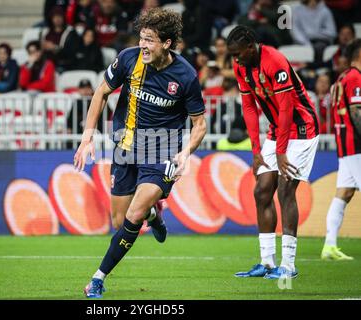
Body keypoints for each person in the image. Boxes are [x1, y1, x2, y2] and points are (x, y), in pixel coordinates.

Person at [74, 8, 206, 298]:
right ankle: (154, 216)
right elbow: (101, 93)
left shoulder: (185, 76)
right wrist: (87, 138)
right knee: (120, 222)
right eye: (142, 38)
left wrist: (185, 153)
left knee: (133, 214)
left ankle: (98, 278)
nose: (143, 45)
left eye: (150, 40)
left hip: (162, 151)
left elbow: (200, 124)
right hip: (125, 147)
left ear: (167, 43)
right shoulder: (128, 58)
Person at [227, 26, 320, 279]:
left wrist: (280, 152)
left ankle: (288, 266)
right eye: (232, 55)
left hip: (301, 129)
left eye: (238, 53)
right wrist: (256, 150)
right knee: (261, 190)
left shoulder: (275, 61)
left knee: (285, 189)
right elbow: (248, 106)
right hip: (277, 129)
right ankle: (267, 263)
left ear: (251, 46)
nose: (235, 59)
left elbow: (287, 107)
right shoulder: (241, 67)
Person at [321, 39, 361, 261]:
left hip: (345, 145)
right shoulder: (355, 77)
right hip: (356, 145)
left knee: (344, 193)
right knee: (344, 193)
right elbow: (356, 111)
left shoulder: (342, 78)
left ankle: (329, 245)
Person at [41, 6, 81, 72]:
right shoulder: (45, 33)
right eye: (55, 16)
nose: (57, 19)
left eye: (59, 16)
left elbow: (71, 53)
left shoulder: (71, 32)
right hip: (47, 65)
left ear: (63, 17)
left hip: (64, 66)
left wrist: (54, 48)